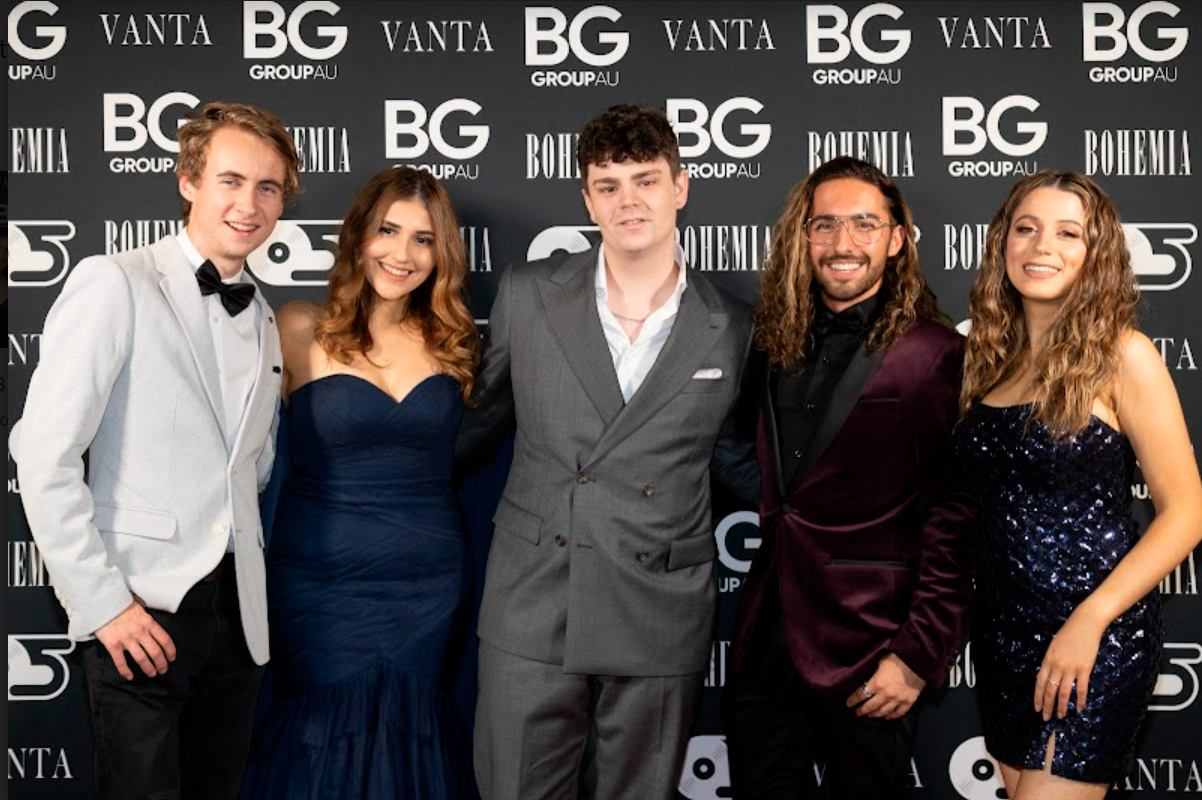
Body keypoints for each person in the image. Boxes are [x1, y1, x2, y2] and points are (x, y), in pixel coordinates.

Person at [454, 104, 759, 800]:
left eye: (646, 180)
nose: (630, 201)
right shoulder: (528, 296)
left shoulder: (732, 326)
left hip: (659, 600)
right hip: (534, 596)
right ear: (587, 198)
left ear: (680, 187)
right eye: (610, 184)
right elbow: (477, 427)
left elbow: (736, 459)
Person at [14, 101, 298, 799]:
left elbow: (247, 470)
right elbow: (43, 455)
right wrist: (105, 604)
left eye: (268, 188)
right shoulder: (114, 282)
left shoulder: (265, 315)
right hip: (142, 604)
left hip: (237, 621)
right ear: (188, 181)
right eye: (231, 181)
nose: (249, 204)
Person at [724, 156, 978, 799]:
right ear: (802, 237)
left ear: (897, 240)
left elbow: (953, 514)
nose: (842, 244)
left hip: (872, 647)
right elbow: (739, 453)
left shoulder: (933, 354)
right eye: (825, 225)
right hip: (764, 638)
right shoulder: (773, 340)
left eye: (864, 225)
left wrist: (918, 655)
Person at [956, 171, 1202, 800]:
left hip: (1093, 637)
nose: (1043, 247)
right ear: (1002, 242)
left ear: (1098, 255)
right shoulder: (991, 361)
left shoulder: (1124, 355)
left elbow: (1185, 514)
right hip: (1003, 634)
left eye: (1069, 233)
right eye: (1027, 228)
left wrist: (1089, 620)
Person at [238, 166, 480, 799]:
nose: (401, 254)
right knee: (319, 740)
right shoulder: (296, 326)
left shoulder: (454, 344)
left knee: (412, 742)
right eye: (388, 230)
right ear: (357, 235)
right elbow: (238, 451)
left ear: (442, 253)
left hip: (429, 584)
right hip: (317, 581)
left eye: (423, 239)